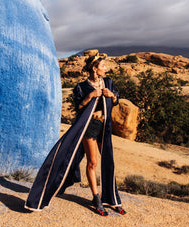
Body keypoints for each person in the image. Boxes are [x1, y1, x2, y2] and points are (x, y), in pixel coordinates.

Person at [25, 55, 126, 216]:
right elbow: (79, 107)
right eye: (103, 65)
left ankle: (111, 198)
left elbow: (116, 101)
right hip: (89, 128)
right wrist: (90, 96)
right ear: (95, 68)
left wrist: (111, 95)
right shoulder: (81, 87)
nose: (106, 68)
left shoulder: (108, 83)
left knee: (108, 161)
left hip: (104, 127)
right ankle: (96, 198)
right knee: (92, 162)